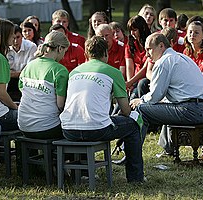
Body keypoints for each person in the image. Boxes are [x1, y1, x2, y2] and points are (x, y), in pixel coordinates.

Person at [60, 36, 144, 183]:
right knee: (133, 126)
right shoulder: (113, 72)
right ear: (106, 53)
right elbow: (125, 110)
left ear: (86, 55)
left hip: (68, 130)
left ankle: (83, 173)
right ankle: (135, 177)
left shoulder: (73, 72)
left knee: (87, 121)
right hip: (97, 130)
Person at [130, 33, 203, 155]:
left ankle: (132, 155)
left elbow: (154, 97)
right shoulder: (182, 57)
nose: (147, 54)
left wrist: (140, 100)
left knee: (142, 109)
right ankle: (168, 149)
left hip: (191, 111)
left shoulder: (163, 61)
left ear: (161, 46)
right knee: (167, 105)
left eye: (149, 49)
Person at [18, 31, 69, 139]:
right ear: (60, 48)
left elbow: (22, 90)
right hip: (47, 127)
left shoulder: (29, 65)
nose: (64, 55)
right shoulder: (60, 70)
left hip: (23, 125)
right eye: (65, 51)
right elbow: (61, 105)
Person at [6, 24, 37, 101]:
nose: (15, 41)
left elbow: (29, 72)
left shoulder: (31, 46)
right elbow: (3, 72)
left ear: (22, 36)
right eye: (13, 38)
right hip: (9, 82)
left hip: (26, 81)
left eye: (18, 37)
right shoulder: (6, 47)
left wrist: (11, 73)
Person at [125, 15, 150, 97]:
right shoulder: (130, 45)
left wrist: (130, 82)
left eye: (135, 30)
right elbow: (130, 66)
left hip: (147, 78)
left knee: (134, 96)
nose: (132, 33)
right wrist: (130, 84)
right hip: (135, 79)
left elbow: (146, 68)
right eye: (130, 30)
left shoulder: (151, 42)